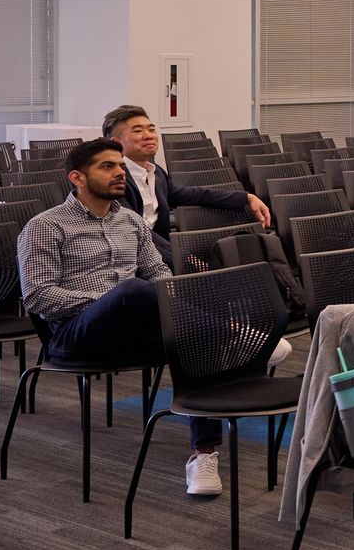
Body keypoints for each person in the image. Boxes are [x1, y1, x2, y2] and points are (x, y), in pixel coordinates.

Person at [18, 139, 272, 498]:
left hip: (134, 323)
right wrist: (109, 300)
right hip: (76, 334)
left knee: (191, 337)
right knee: (132, 292)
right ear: (77, 177)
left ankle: (203, 454)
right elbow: (39, 296)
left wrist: (165, 300)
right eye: (107, 166)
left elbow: (159, 274)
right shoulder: (46, 226)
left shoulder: (130, 220)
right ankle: (236, 335)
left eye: (120, 165)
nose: (120, 172)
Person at [103, 104, 269, 256]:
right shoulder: (113, 180)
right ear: (116, 143)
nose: (149, 136)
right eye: (137, 131)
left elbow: (195, 195)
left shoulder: (156, 173)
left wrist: (246, 197)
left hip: (162, 251)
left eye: (151, 129)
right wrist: (182, 257)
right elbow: (134, 230)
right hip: (130, 257)